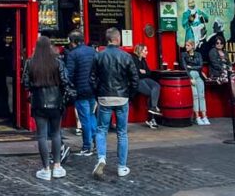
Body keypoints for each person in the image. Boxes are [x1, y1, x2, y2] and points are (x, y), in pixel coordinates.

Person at [91, 27, 139, 179]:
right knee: (122, 133)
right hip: (122, 97)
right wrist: (129, 94)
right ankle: (122, 167)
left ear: (108, 39)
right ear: (118, 39)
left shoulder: (99, 56)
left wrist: (97, 94)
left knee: (101, 130)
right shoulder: (126, 56)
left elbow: (92, 78)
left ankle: (101, 157)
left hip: (105, 97)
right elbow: (135, 79)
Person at [22, 36, 72, 181]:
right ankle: (57, 166)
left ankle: (45, 169)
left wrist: (34, 88)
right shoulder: (57, 62)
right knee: (56, 134)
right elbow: (65, 81)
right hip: (56, 102)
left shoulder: (31, 63)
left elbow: (25, 83)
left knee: (42, 136)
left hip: (38, 102)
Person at [65, 31, 97, 156]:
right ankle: (96, 143)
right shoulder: (92, 51)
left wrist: (70, 87)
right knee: (91, 115)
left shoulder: (73, 54)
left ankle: (86, 146)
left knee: (84, 118)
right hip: (92, 88)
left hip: (80, 90)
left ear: (73, 42)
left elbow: (69, 74)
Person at [131, 44, 162, 128]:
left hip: (144, 79)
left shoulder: (143, 60)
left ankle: (153, 107)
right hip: (136, 81)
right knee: (151, 93)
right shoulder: (133, 58)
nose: (147, 52)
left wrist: (143, 71)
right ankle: (151, 119)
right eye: (145, 51)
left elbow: (149, 72)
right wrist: (142, 72)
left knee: (157, 86)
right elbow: (135, 73)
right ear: (140, 51)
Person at [180, 40, 208, 125]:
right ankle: (197, 117)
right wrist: (190, 78)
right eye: (186, 45)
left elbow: (200, 65)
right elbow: (184, 67)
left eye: (188, 45)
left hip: (198, 75)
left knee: (201, 96)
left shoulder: (198, 54)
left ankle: (204, 116)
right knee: (195, 96)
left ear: (192, 46)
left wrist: (191, 66)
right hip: (191, 76)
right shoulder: (184, 55)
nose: (186, 47)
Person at [207, 36, 235, 103]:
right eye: (217, 43)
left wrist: (231, 69)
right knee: (231, 80)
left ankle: (234, 97)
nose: (219, 44)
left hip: (227, 73)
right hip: (217, 74)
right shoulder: (212, 51)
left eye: (221, 43)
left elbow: (229, 63)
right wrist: (225, 69)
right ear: (215, 43)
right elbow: (214, 64)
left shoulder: (225, 52)